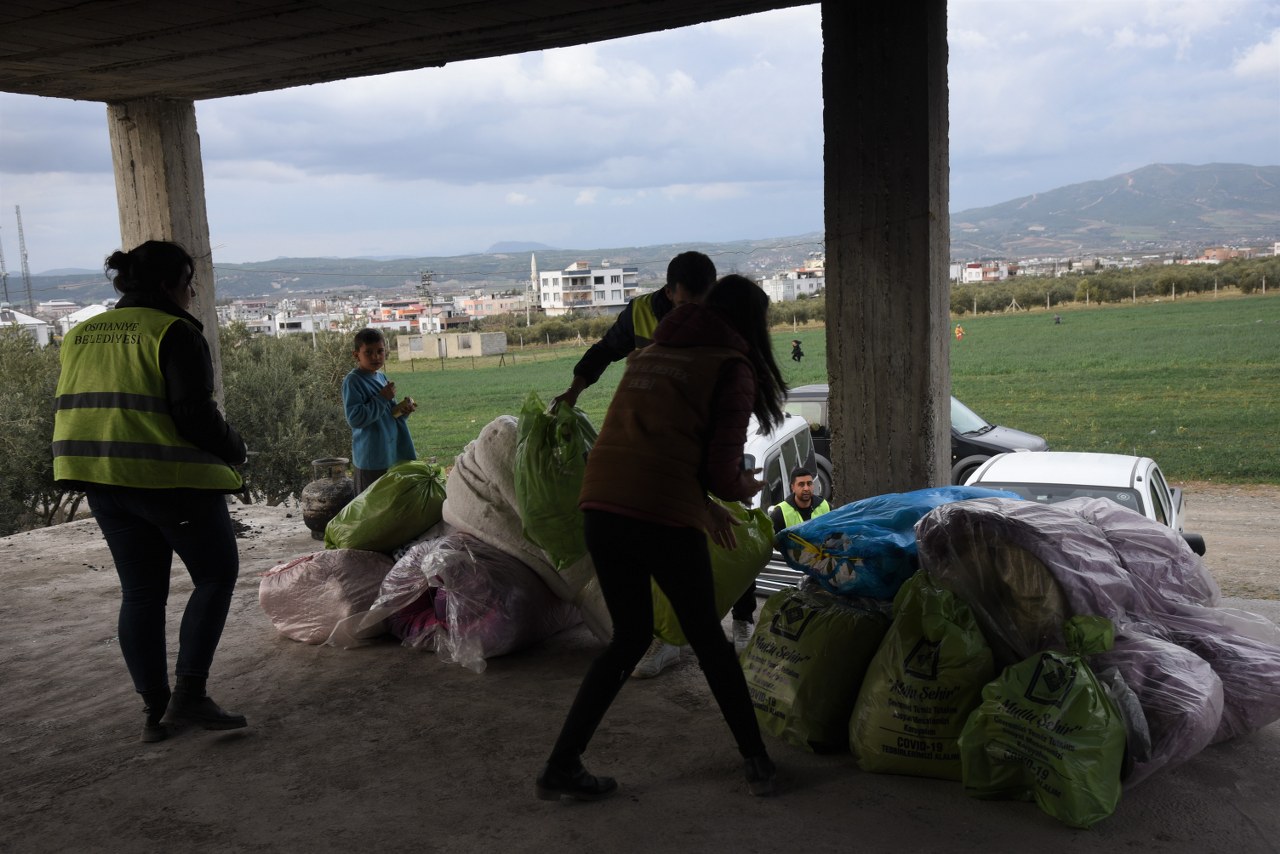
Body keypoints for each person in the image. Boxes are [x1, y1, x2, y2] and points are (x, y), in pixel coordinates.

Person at [537, 274, 788, 802]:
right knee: (708, 640)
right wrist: (737, 489)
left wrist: (700, 509)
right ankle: (759, 763)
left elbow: (646, 449)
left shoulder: (649, 354)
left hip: (602, 505)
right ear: (749, 323)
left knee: (628, 638)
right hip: (658, 514)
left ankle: (561, 764)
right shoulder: (730, 366)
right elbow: (721, 473)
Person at [52, 240, 249, 743]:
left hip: (102, 482)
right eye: (189, 281)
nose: (191, 291)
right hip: (168, 483)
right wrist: (236, 448)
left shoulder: (80, 334)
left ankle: (154, 709)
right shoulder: (173, 332)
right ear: (167, 284)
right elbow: (194, 415)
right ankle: (190, 696)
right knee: (216, 574)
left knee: (141, 593)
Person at [552, 250, 718, 679]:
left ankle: (692, 629)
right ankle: (660, 637)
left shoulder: (712, 314)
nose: (693, 310)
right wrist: (574, 390)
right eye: (687, 301)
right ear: (671, 289)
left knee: (689, 535)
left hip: (687, 438)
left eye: (702, 301)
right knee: (651, 537)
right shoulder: (641, 312)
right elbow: (606, 350)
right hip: (642, 437)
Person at [729, 466, 832, 652]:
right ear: (793, 487)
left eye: (809, 483)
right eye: (801, 484)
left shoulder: (824, 506)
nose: (807, 488)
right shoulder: (779, 513)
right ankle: (743, 621)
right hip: (790, 568)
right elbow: (767, 546)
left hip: (818, 565)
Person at [343, 328, 417, 494]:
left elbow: (389, 415)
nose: (375, 357)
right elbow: (355, 419)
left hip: (391, 453)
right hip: (372, 458)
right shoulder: (353, 381)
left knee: (388, 505)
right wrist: (382, 398)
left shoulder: (381, 377)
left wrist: (403, 410)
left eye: (380, 351)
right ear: (356, 355)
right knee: (370, 508)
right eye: (368, 352)